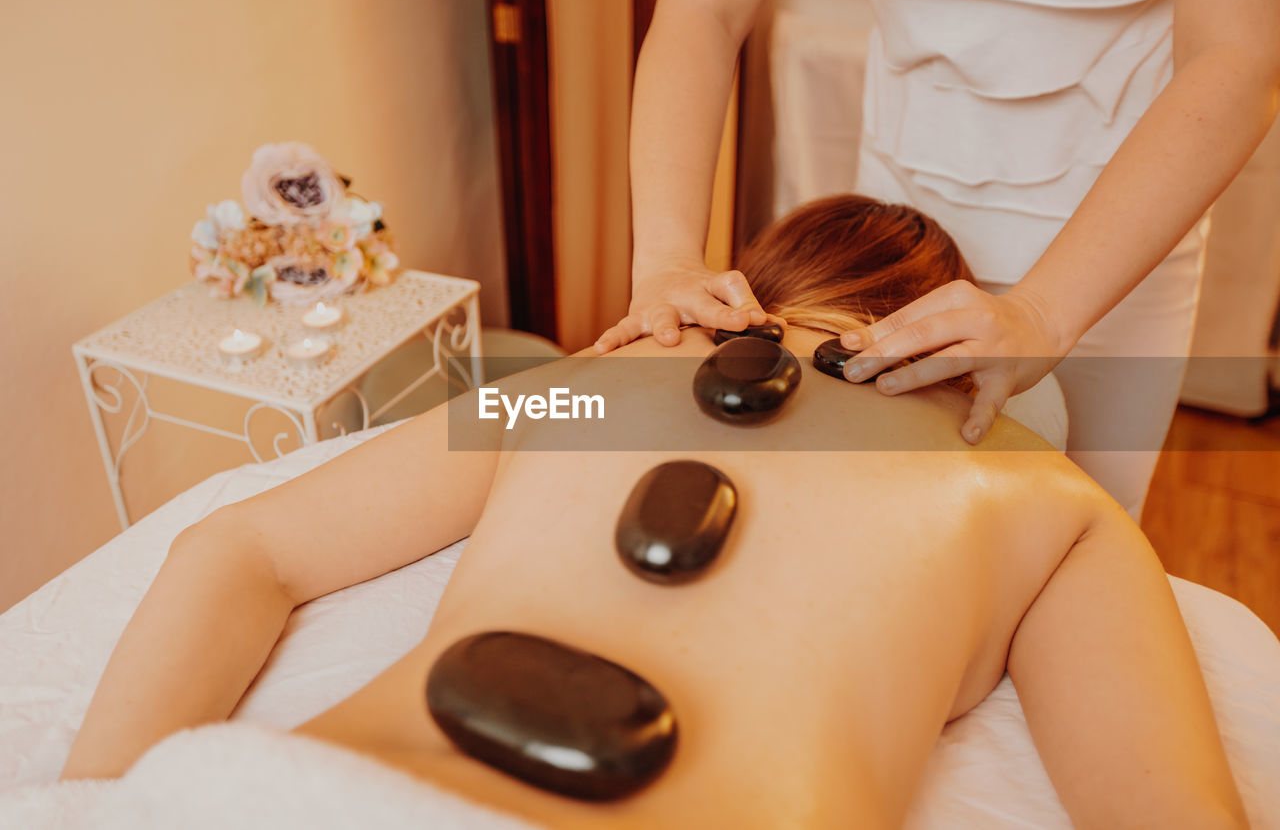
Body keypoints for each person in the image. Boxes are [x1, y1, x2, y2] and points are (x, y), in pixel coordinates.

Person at [62, 197, 1245, 828]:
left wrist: (90, 808)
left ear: (757, 282)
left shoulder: (589, 381)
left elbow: (239, 546)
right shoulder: (1046, 495)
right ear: (953, 327)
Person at [595, 0, 1280, 519]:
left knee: (1080, 524)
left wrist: (1042, 314)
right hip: (898, 219)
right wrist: (665, 257)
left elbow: (1239, 54)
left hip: (1120, 228)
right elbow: (703, 4)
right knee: (855, 499)